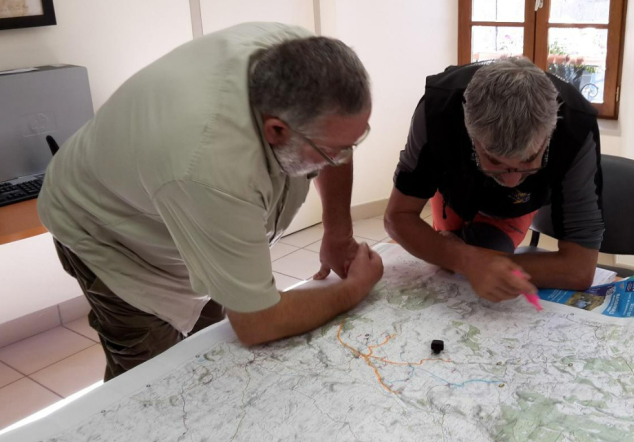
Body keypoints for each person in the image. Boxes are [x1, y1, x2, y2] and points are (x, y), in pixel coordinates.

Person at [37, 23, 383, 381]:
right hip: (112, 236)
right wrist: (353, 288)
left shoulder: (302, 62)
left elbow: (339, 138)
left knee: (214, 362)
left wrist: (338, 233)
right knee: (155, 384)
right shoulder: (211, 166)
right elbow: (258, 322)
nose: (341, 158)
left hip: (180, 191)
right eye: (330, 152)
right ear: (277, 130)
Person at [384, 57, 604, 303]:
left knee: (482, 254)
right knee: (444, 269)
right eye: (495, 163)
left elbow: (580, 270)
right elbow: (397, 217)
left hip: (519, 206)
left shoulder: (576, 127)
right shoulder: (438, 110)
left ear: (550, 134)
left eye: (529, 162)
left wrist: (474, 260)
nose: (511, 182)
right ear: (469, 133)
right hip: (454, 187)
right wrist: (464, 259)